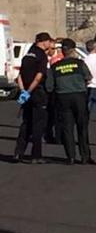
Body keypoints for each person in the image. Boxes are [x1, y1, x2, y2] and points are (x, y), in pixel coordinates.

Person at [47, 38, 94, 165]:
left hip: (62, 98)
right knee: (82, 127)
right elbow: (88, 78)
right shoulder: (79, 63)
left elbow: (49, 86)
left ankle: (71, 157)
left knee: (67, 128)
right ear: (73, 50)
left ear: (62, 51)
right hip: (79, 96)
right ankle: (85, 156)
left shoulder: (55, 67)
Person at [13, 32, 54, 164]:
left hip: (26, 93)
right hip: (37, 93)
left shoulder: (27, 56)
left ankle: (18, 153)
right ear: (43, 42)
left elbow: (19, 76)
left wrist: (23, 91)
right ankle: (36, 155)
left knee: (26, 123)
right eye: (48, 41)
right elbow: (39, 76)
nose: (49, 44)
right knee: (38, 125)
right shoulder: (41, 56)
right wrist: (29, 91)